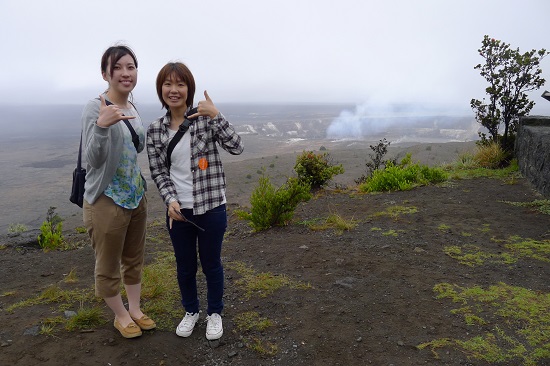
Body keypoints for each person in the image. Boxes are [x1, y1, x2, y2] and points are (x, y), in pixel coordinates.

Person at [146, 62, 243, 340]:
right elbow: (159, 171)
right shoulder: (155, 131)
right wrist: (169, 200)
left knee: (211, 262)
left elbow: (237, 146)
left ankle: (214, 313)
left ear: (189, 89)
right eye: (168, 84)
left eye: (180, 84)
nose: (173, 90)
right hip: (179, 212)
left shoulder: (204, 120)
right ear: (160, 89)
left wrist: (217, 115)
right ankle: (191, 311)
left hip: (211, 206)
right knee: (185, 265)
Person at [81, 45, 155, 339]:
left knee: (134, 258)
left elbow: (137, 147)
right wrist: (101, 127)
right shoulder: (94, 107)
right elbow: (93, 159)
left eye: (131, 67)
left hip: (135, 195)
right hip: (106, 199)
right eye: (118, 67)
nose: (126, 73)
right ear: (105, 73)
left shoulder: (133, 107)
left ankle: (135, 309)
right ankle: (121, 315)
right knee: (108, 263)